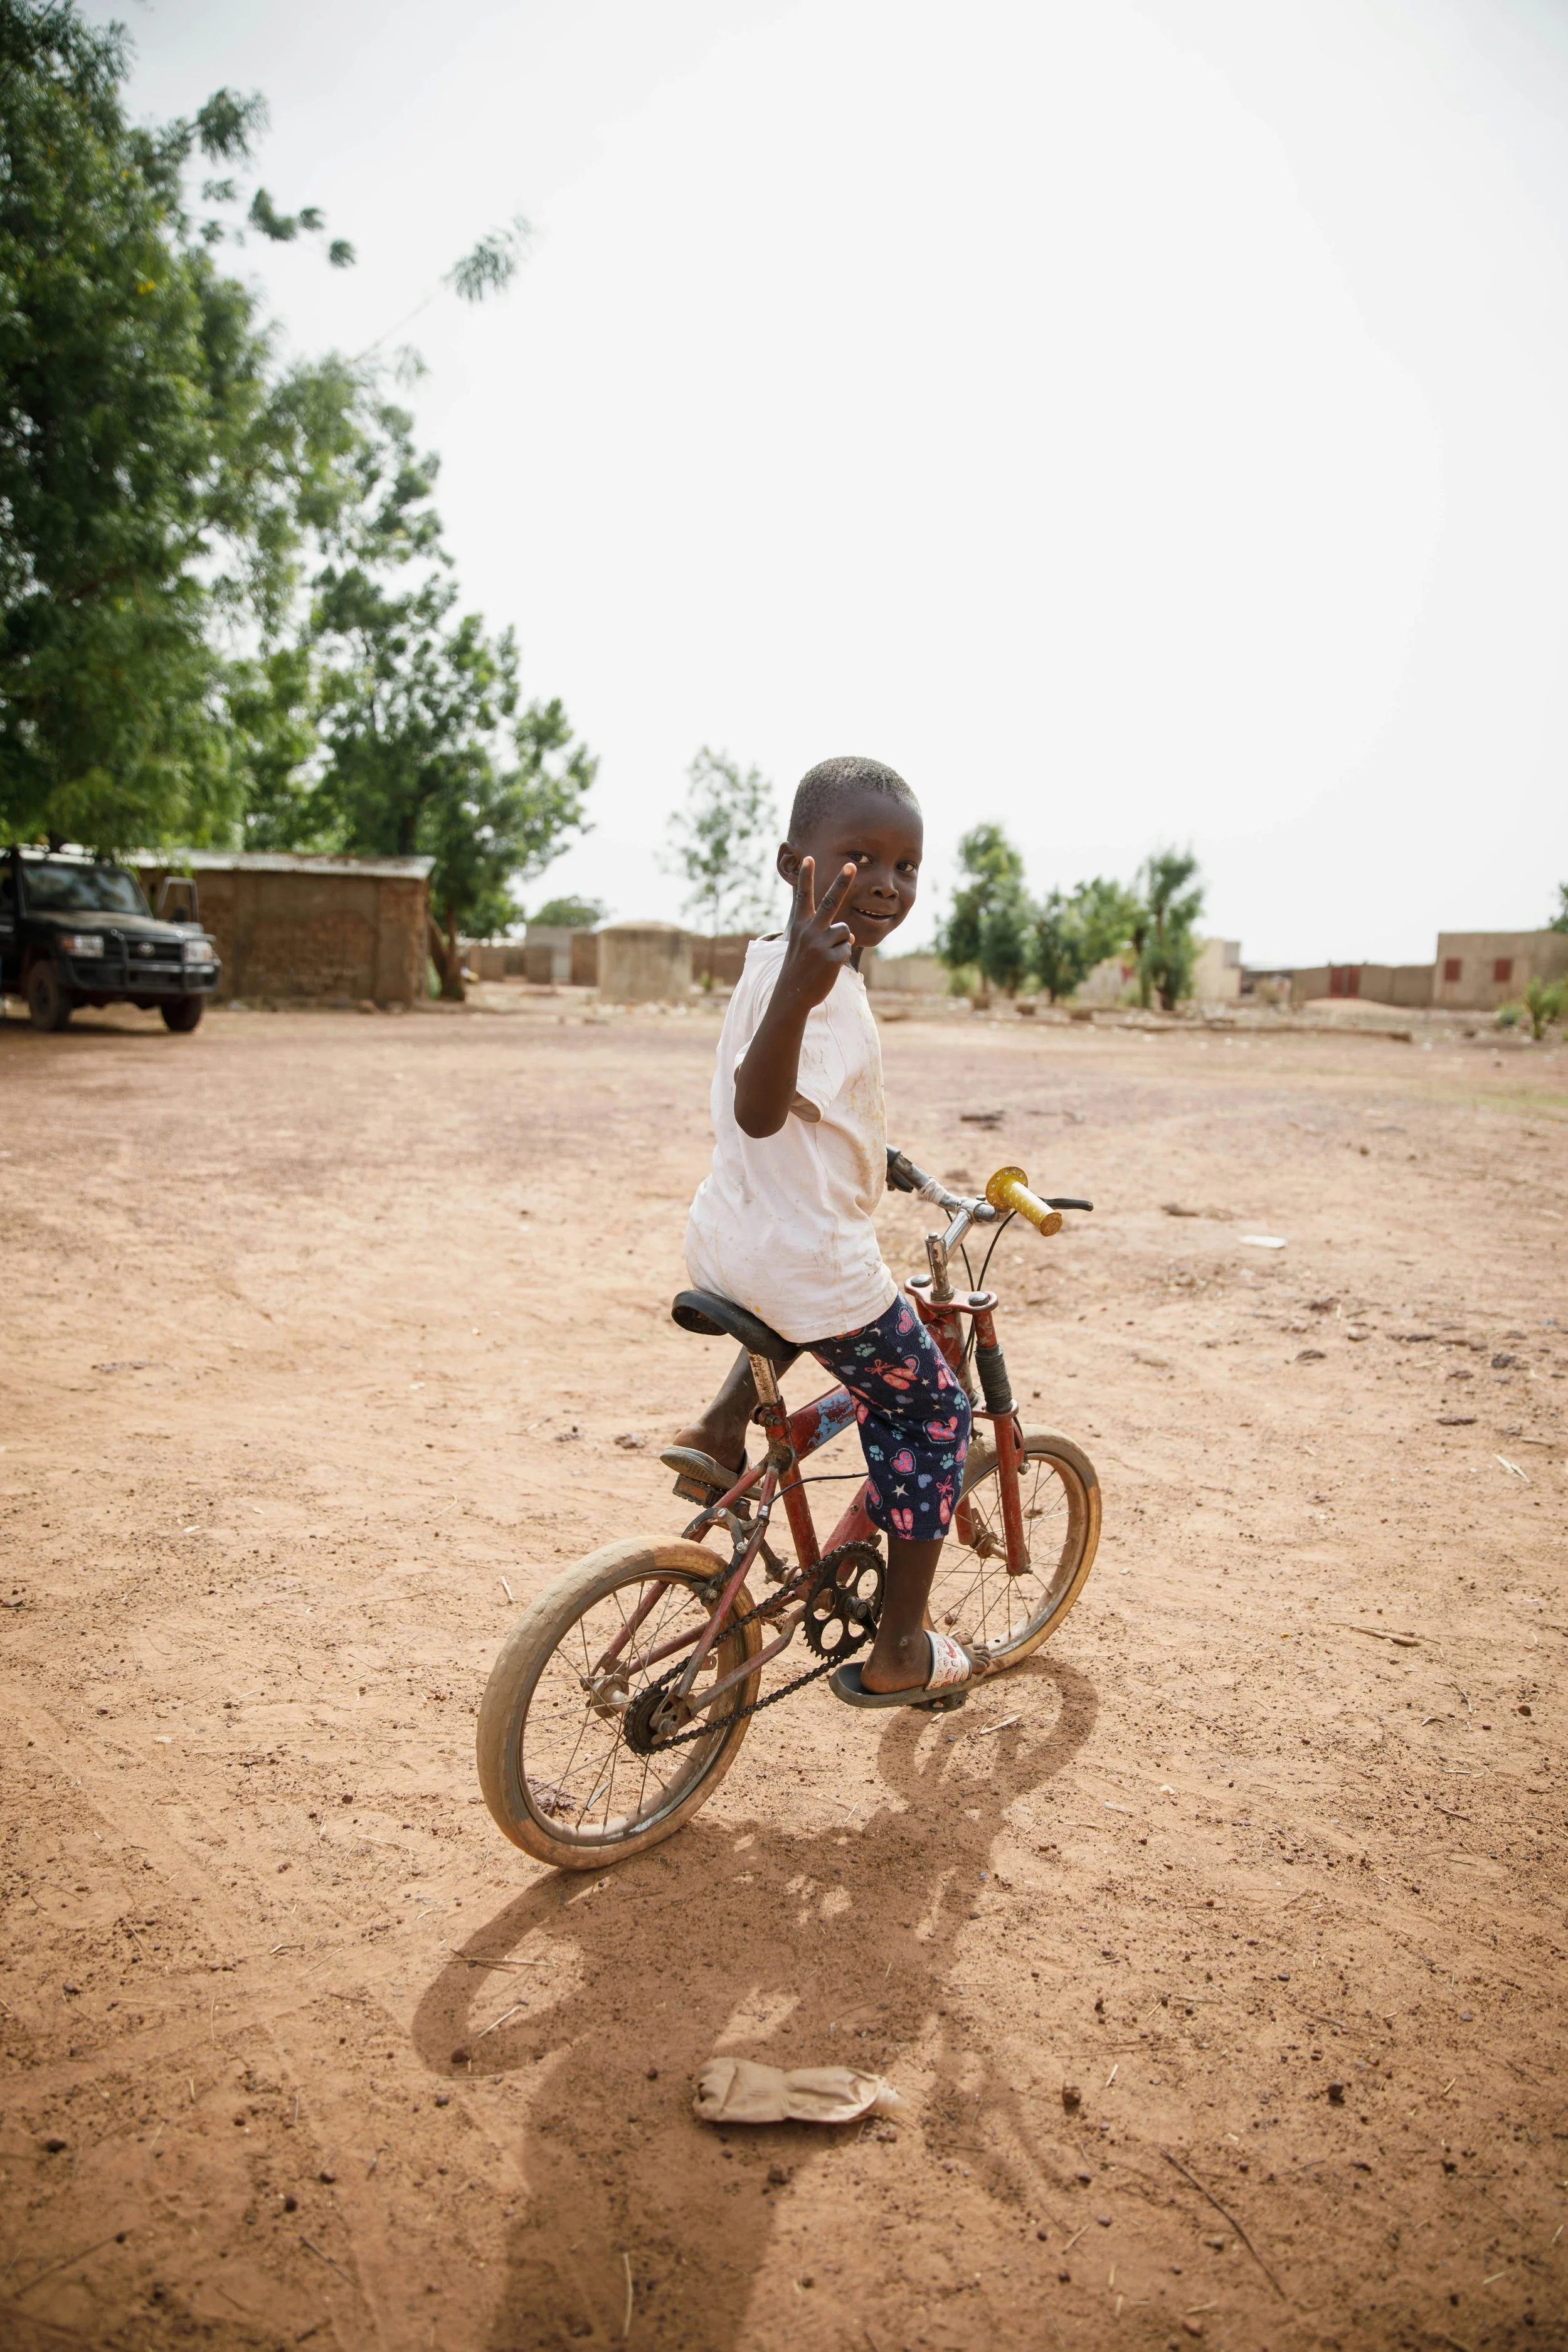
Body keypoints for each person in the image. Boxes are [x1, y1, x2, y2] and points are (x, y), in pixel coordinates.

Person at [662, 754, 978, 1706]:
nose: (885, 882)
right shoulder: (812, 976)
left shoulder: (773, 953)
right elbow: (761, 1105)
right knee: (934, 1413)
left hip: (732, 1237)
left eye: (906, 866)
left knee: (811, 1303)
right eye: (858, 858)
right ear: (794, 861)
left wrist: (876, 1153)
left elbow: (803, 1109)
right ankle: (901, 1648)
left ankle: (721, 1427)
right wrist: (806, 990)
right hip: (805, 1260)